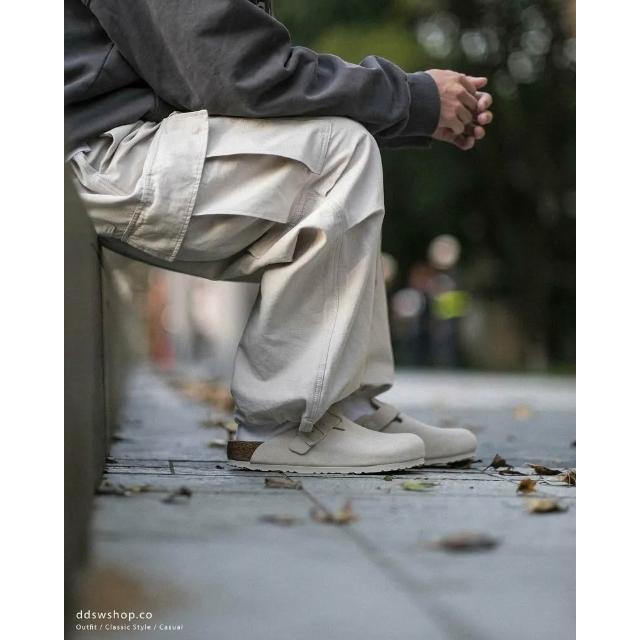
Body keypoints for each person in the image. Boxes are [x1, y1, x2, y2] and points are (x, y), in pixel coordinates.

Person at [65, 0, 493, 473]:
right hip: (95, 153)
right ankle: (287, 425)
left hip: (107, 142)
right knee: (337, 152)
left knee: (338, 141)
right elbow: (235, 70)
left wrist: (412, 106)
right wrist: (413, 100)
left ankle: (347, 405)